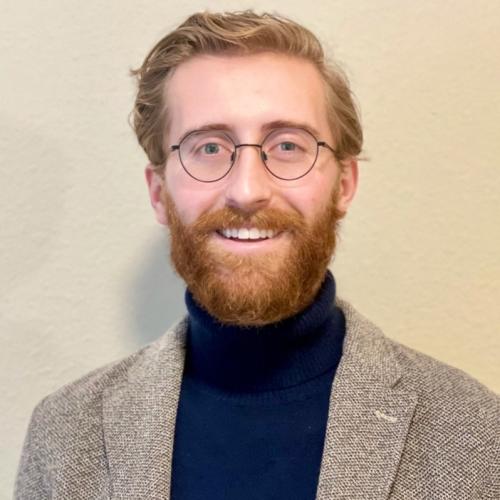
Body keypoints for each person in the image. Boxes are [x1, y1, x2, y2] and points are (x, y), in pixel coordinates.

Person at [15, 10, 498, 500]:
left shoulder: (474, 435)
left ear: (343, 185)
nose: (247, 191)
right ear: (159, 192)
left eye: (288, 145)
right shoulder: (64, 435)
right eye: (208, 148)